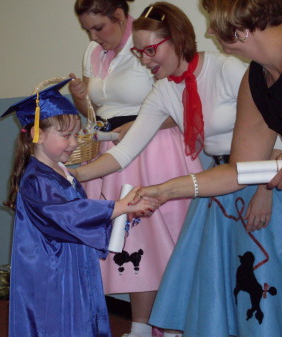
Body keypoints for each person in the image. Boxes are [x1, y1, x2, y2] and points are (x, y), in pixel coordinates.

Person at [69, 2, 282, 336]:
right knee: (223, 279)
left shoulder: (226, 69)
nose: (145, 60)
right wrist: (72, 175)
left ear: (178, 39)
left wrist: (264, 190)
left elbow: (275, 131)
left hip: (265, 180)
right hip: (220, 182)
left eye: (150, 50)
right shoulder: (163, 91)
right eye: (139, 52)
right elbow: (125, 151)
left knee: (266, 275)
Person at [128, 1, 282, 336]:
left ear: (240, 27)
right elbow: (241, 171)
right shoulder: (256, 80)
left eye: (213, 23)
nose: (207, 31)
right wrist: (164, 191)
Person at [69, 2, 202, 336]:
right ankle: (141, 326)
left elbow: (180, 102)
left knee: (167, 237)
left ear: (119, 16)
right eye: (88, 30)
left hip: (157, 145)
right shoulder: (93, 52)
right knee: (131, 239)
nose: (93, 36)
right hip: (114, 145)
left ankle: (174, 325)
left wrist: (142, 126)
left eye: (99, 28)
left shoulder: (147, 45)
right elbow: (96, 110)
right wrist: (79, 97)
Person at [0, 77, 159, 337]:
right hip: (51, 273)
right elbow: (68, 216)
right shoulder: (36, 179)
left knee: (82, 319)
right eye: (66, 136)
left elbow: (82, 214)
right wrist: (116, 207)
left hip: (73, 266)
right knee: (58, 324)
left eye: (76, 134)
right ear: (37, 134)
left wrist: (125, 215)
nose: (74, 143)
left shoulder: (63, 172)